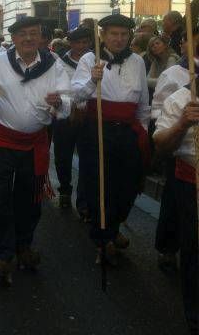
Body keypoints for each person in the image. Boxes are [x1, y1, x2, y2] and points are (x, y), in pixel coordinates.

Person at [0, 16, 71, 286]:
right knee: (2, 199)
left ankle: (24, 245)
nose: (28, 38)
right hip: (0, 141)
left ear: (41, 37)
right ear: (13, 39)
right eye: (23, 34)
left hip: (35, 144)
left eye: (34, 33)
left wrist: (60, 101)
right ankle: (2, 253)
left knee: (31, 199)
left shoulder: (53, 64)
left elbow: (69, 100)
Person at [72, 14, 150, 266]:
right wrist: (92, 79)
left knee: (127, 186)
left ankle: (113, 227)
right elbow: (76, 95)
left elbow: (143, 101)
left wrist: (144, 131)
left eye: (123, 35)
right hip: (97, 129)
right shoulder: (89, 59)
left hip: (127, 131)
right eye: (113, 34)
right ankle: (102, 238)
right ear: (103, 35)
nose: (119, 39)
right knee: (98, 185)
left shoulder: (137, 61)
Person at [151, 29, 199, 273]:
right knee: (174, 203)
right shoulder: (174, 74)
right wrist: (180, 123)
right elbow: (158, 111)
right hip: (177, 147)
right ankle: (169, 247)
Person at [153, 85, 199, 335]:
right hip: (192, 182)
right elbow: (161, 145)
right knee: (194, 248)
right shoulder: (180, 99)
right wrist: (182, 123)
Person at [54, 26, 93, 214]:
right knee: (63, 154)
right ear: (71, 43)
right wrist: (70, 106)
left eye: (86, 42)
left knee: (87, 157)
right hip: (66, 115)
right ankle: (64, 189)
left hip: (89, 116)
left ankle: (84, 200)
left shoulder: (96, 60)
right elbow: (61, 88)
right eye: (78, 42)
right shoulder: (60, 63)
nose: (82, 46)